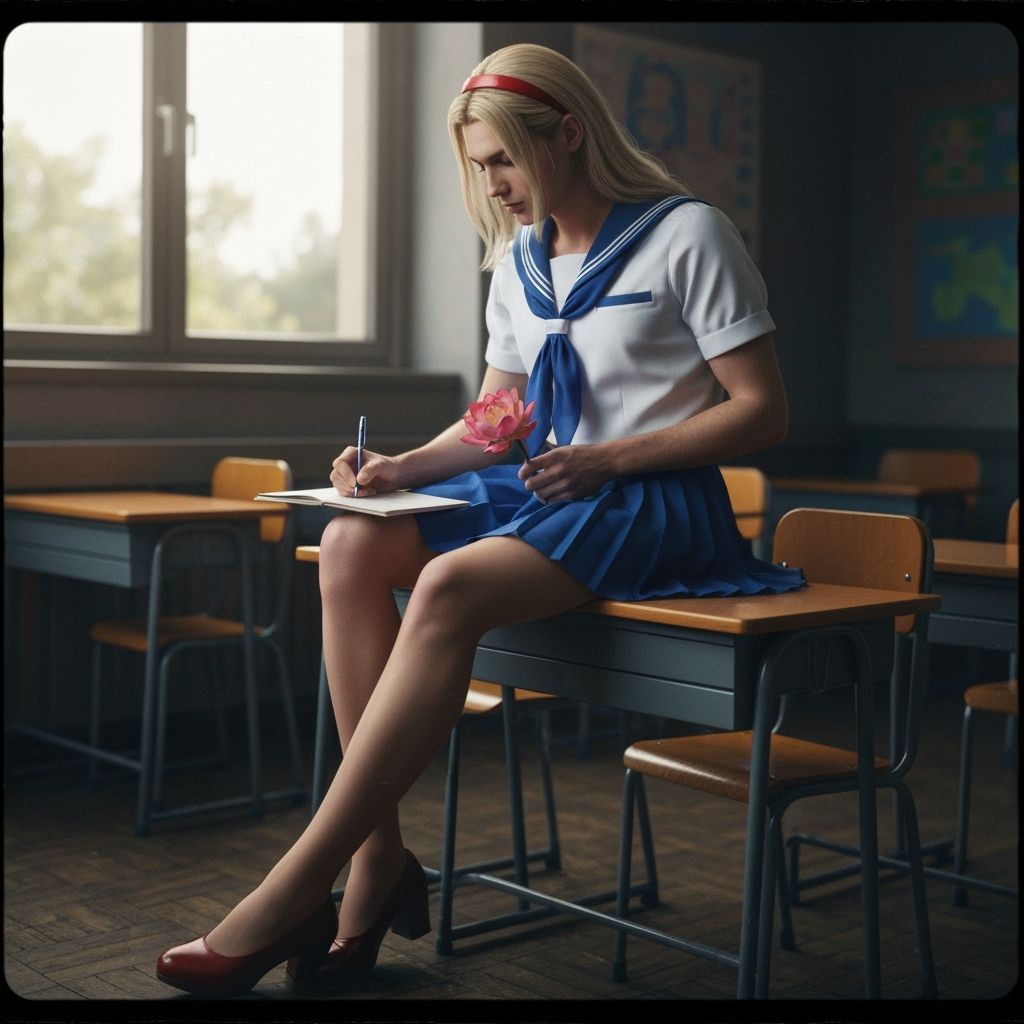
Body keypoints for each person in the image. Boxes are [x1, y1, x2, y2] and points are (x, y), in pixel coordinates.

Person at [155, 42, 804, 997]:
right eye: (477, 165)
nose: (490, 184)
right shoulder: (517, 262)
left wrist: (610, 457)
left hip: (651, 498)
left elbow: (763, 411)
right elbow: (502, 423)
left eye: (502, 159)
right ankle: (378, 861)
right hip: (549, 484)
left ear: (569, 134)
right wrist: (398, 468)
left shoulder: (689, 234)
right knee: (347, 537)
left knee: (449, 581)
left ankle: (295, 885)